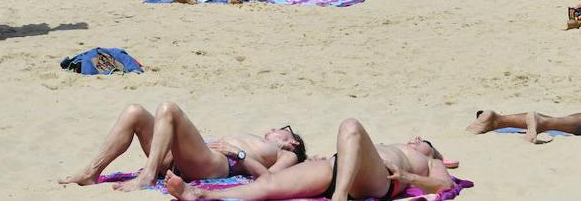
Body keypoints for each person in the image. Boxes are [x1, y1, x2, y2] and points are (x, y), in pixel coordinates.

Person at [163, 121, 453, 201]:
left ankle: (339, 197)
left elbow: (444, 187)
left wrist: (408, 177)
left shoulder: (429, 162)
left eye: (424, 141)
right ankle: (200, 194)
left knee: (351, 126)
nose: (417, 140)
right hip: (336, 167)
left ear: (432, 151)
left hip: (381, 179)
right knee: (270, 185)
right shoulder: (392, 145)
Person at [59, 103, 305, 190]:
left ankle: (148, 175)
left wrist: (238, 154)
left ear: (292, 141)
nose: (272, 129)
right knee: (135, 112)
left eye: (280, 129)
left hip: (218, 164)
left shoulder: (288, 155)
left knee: (169, 109)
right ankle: (91, 172)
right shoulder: (260, 141)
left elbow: (269, 180)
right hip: (191, 156)